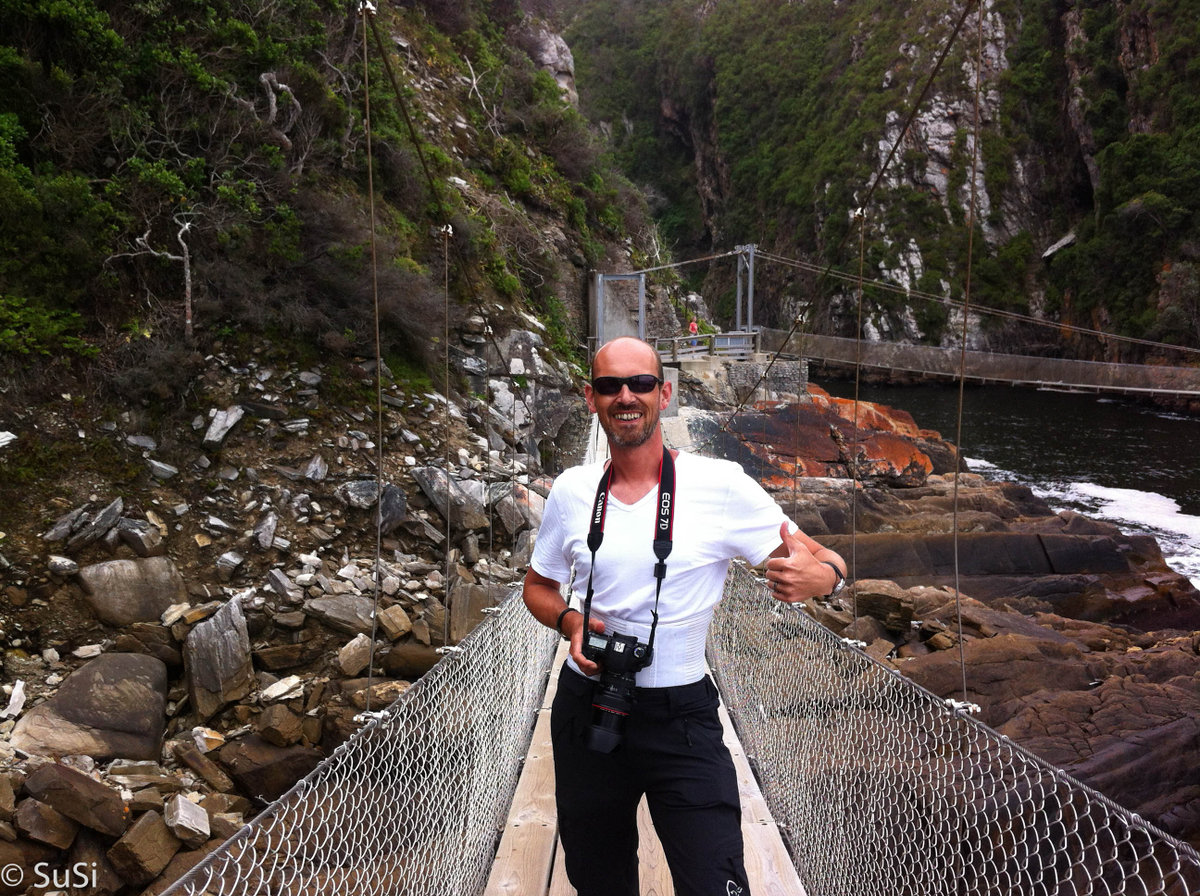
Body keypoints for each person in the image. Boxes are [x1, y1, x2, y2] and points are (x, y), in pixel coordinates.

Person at [522, 336, 847, 896]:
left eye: (641, 383)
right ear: (591, 399)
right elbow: (538, 587)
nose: (626, 396)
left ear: (664, 394)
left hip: (681, 717)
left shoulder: (721, 485)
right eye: (610, 386)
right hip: (587, 704)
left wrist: (824, 579)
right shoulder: (573, 491)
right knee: (598, 881)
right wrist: (571, 624)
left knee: (715, 879)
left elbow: (824, 559)